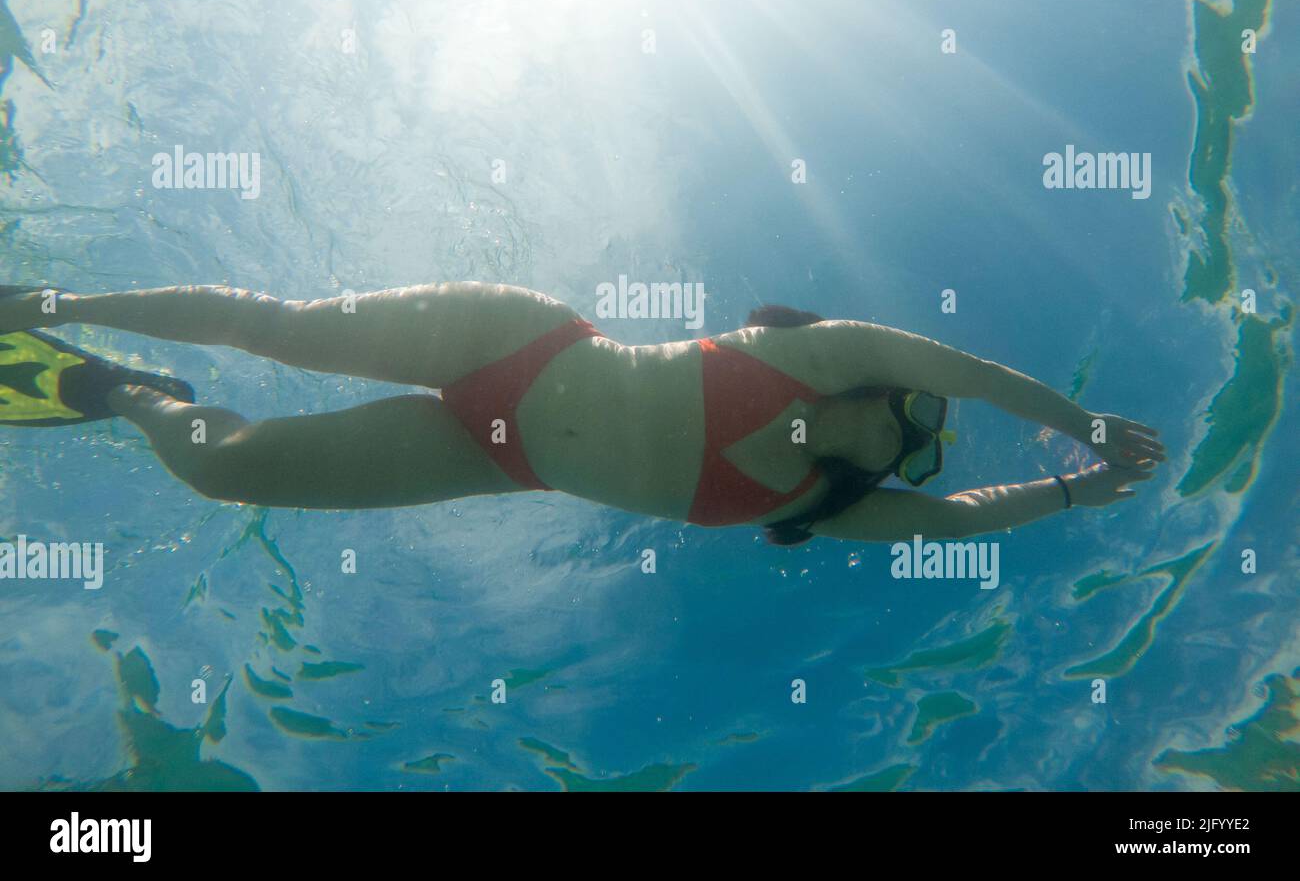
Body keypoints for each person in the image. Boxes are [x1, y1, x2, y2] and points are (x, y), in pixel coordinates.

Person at [0, 282, 1163, 545]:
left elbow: (964, 523)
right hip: (512, 344)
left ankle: (121, 393)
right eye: (923, 407)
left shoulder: (818, 501)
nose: (925, 417)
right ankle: (56, 299)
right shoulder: (812, 353)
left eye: (928, 441)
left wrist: (1073, 489)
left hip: (493, 458)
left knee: (226, 471)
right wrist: (1090, 424)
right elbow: (970, 369)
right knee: (275, 326)